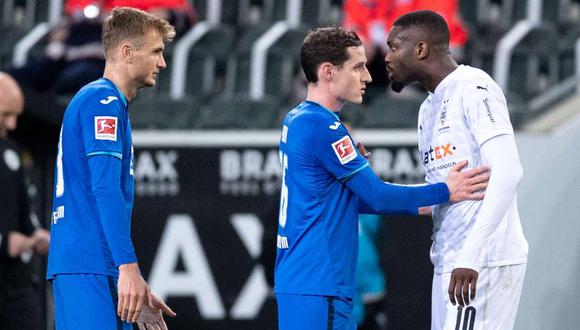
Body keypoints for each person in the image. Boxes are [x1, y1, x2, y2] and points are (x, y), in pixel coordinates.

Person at [275, 26, 490, 330]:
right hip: (320, 283)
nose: (368, 77)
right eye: (357, 67)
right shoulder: (322, 127)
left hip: (304, 282)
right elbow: (375, 194)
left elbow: (330, 199)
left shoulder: (297, 119)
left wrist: (416, 204)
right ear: (328, 72)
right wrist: (444, 190)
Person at [385, 10, 528, 329]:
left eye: (394, 46)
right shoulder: (427, 108)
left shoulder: (474, 86)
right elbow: (443, 193)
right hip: (450, 262)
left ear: (421, 49)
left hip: (482, 262)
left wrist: (471, 255)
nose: (387, 56)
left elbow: (508, 171)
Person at [47, 7, 177, 329]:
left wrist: (132, 278)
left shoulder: (105, 102)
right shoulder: (101, 102)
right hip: (88, 264)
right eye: (156, 52)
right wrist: (128, 267)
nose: (162, 63)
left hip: (93, 263)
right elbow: (104, 189)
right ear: (127, 52)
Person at [0, 72, 51, 329]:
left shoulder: (9, 151)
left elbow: (23, 210)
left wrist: (36, 234)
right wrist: (4, 240)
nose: (11, 125)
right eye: (5, 115)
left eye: (15, 116)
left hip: (13, 281)